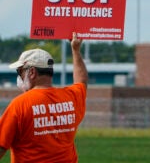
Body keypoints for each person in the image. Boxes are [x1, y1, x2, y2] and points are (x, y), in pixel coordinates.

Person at [0, 32, 88, 162]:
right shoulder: (71, 97)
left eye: (20, 71)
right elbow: (82, 81)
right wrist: (75, 50)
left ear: (32, 72)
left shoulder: (20, 105)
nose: (19, 77)